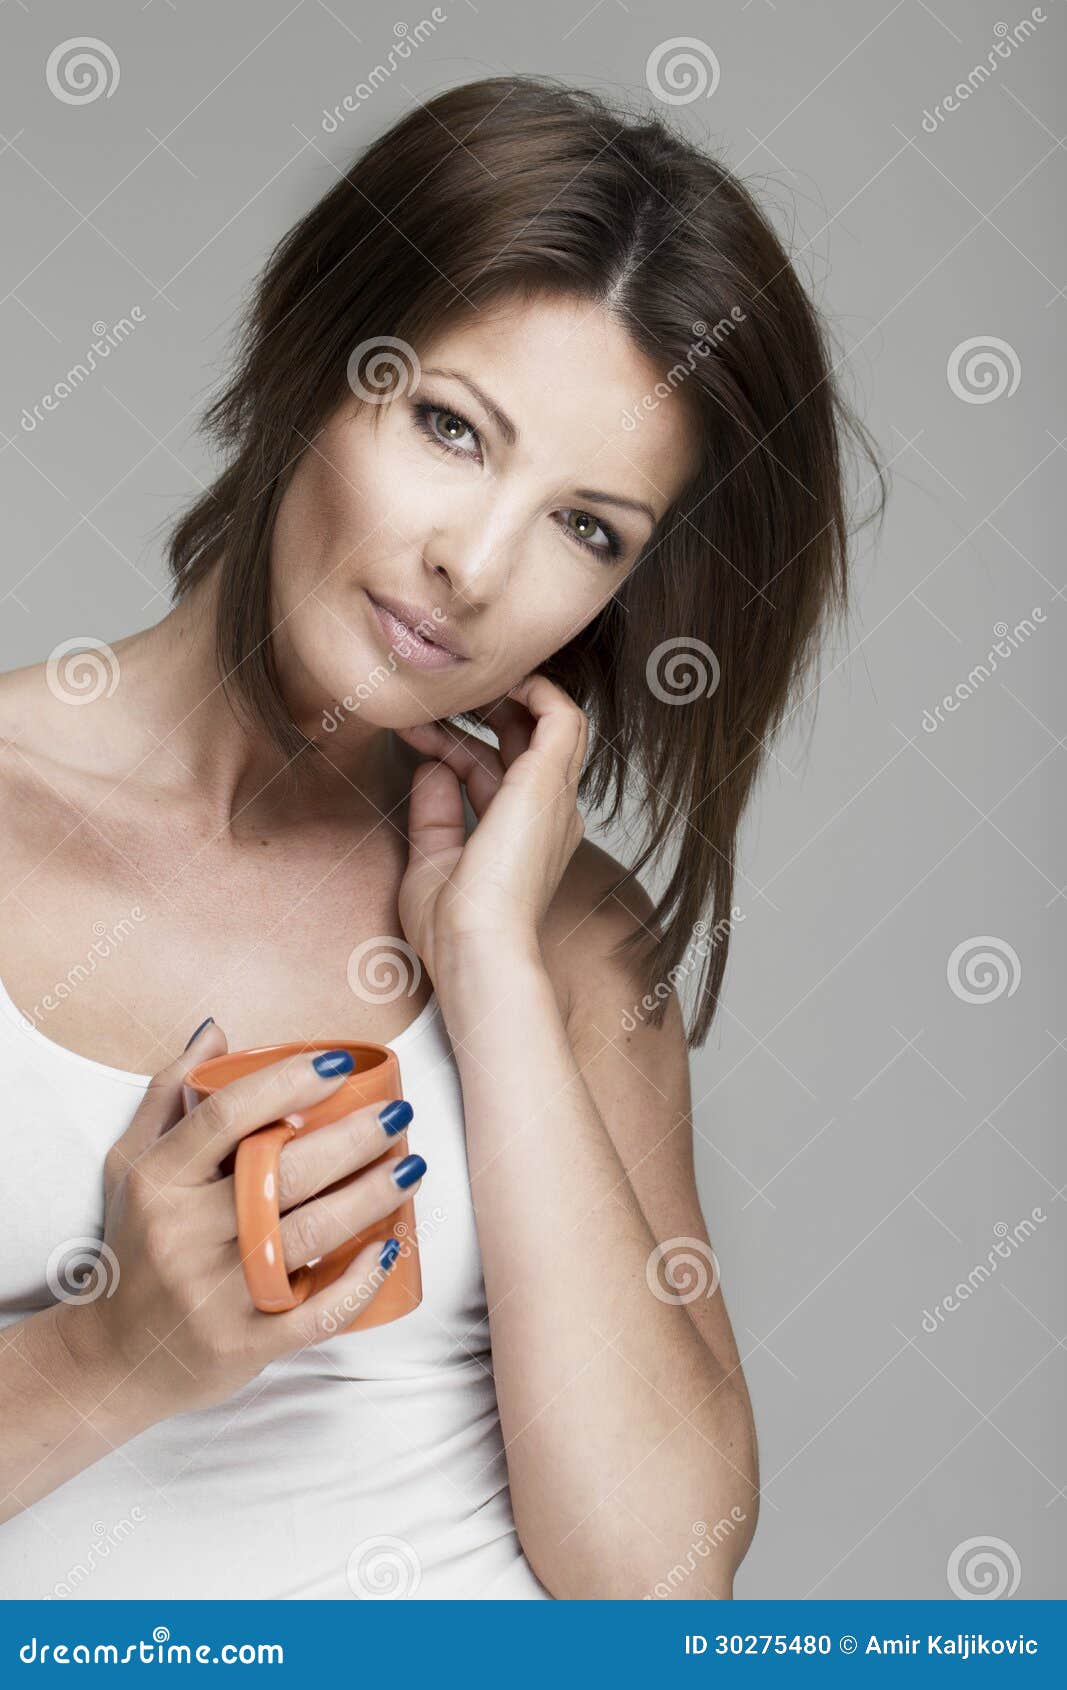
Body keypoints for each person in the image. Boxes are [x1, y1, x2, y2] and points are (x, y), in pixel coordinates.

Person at [0, 75, 879, 1599]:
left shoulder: (560, 932)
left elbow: (655, 1586)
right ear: (311, 354)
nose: (472, 564)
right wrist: (106, 1352)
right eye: (452, 428)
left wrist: (488, 969)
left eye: (587, 526)